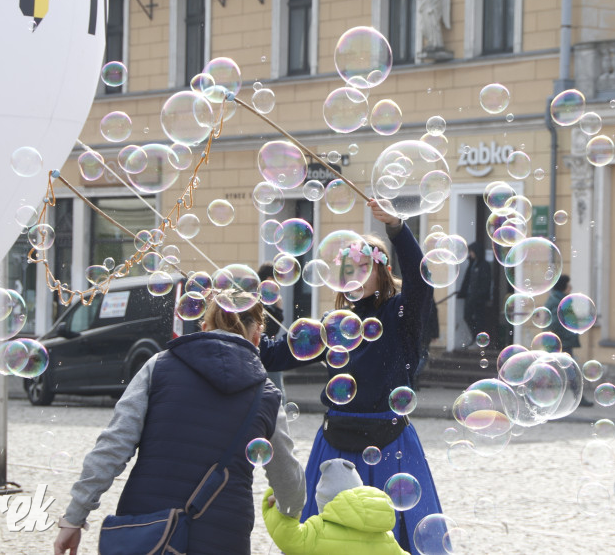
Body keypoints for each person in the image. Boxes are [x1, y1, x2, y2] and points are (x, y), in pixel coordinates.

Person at [53, 294, 305, 555]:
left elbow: (113, 446)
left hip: (149, 532)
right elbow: (290, 484)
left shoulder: (159, 366)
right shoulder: (268, 395)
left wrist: (74, 517)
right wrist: (288, 508)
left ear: (204, 328)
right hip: (224, 538)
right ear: (257, 338)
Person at [259, 199, 440, 552]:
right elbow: (271, 355)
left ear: (381, 271)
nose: (354, 274)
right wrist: (247, 314)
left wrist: (398, 229)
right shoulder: (333, 324)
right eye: (347, 269)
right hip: (335, 443)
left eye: (362, 266)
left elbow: (421, 282)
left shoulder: (401, 313)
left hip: (390, 446)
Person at [262, 458, 407, 555]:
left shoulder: (316, 531)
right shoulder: (386, 538)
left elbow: (287, 536)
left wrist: (278, 502)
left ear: (322, 503)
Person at [543, 275, 592, 407]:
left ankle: (575, 398)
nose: (571, 287)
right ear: (564, 287)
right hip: (560, 343)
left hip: (561, 342)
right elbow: (554, 324)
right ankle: (577, 398)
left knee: (561, 372)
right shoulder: (557, 301)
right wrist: (567, 334)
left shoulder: (560, 300)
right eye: (568, 285)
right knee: (569, 372)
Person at [258, 262, 287, 399]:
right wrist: (279, 310)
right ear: (270, 280)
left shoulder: (261, 298)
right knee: (277, 393)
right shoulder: (263, 301)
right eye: (278, 279)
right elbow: (270, 330)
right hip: (265, 351)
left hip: (262, 350)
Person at [456, 241, 491, 350]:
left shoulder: (484, 265)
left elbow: (485, 283)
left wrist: (480, 294)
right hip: (470, 297)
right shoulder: (472, 264)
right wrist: (462, 292)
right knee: (468, 317)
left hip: (479, 299)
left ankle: (479, 342)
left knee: (479, 320)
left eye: (471, 251)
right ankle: (475, 339)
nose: (470, 253)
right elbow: (467, 280)